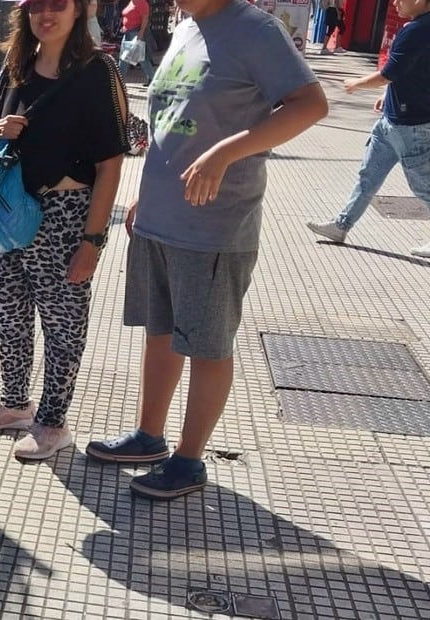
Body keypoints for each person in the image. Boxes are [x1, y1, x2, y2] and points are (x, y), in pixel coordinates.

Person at [86, 0, 327, 498]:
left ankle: (190, 460)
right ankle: (148, 437)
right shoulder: (186, 27)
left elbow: (311, 103)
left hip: (215, 226)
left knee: (207, 345)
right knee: (160, 332)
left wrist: (227, 151)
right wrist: (145, 193)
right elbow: (172, 121)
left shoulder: (256, 29)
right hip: (160, 217)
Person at [0, 0, 129, 460]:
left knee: (62, 321)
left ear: (80, 11)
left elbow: (111, 164)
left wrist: (92, 242)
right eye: (37, 5)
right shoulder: (16, 63)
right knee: (8, 312)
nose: (46, 14)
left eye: (58, 5)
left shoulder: (97, 71)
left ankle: (54, 423)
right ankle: (15, 405)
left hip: (65, 212)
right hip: (7, 208)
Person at [308, 0, 430, 257]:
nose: (395, 3)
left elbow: (389, 72)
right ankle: (341, 225)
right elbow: (412, 71)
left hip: (410, 126)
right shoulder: (419, 27)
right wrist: (388, 94)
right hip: (392, 121)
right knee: (368, 176)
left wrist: (357, 83)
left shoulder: (417, 30)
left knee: (424, 187)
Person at [118, 0, 157, 85]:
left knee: (126, 58)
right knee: (141, 58)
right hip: (127, 32)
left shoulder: (142, 3)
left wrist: (141, 32)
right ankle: (152, 78)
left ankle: (119, 81)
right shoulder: (132, 1)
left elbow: (145, 18)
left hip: (134, 33)